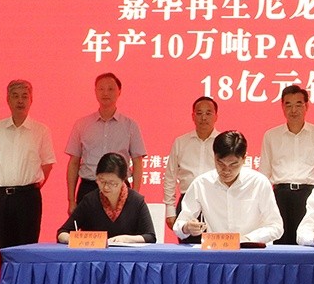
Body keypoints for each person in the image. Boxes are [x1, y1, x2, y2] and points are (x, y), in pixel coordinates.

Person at [0, 79, 55, 263]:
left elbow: (47, 164)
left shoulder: (41, 130)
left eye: (24, 96)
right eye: (15, 96)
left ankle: (26, 283)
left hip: (28, 197)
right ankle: (6, 282)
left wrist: (30, 184)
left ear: (31, 100)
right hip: (1, 198)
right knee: (4, 250)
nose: (20, 101)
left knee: (27, 250)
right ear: (8, 100)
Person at [175, 131, 284, 244]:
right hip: (217, 250)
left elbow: (276, 226)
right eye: (221, 163)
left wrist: (247, 240)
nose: (226, 170)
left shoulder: (259, 183)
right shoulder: (202, 183)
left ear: (244, 159)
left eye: (233, 165)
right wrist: (187, 227)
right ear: (214, 157)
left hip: (252, 250)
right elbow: (180, 223)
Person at [259, 85, 314, 244]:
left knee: (308, 243)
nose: (293, 110)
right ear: (282, 107)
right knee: (280, 243)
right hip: (280, 196)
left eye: (298, 104)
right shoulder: (271, 136)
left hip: (309, 196)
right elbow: (263, 174)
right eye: (288, 105)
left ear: (307, 106)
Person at [65, 72, 146, 214]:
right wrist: (71, 200)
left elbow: (137, 162)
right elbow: (74, 163)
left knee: (119, 229)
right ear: (95, 91)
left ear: (119, 91)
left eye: (110, 89)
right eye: (101, 88)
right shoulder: (82, 125)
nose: (105, 93)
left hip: (119, 188)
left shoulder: (130, 125)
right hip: (89, 187)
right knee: (88, 228)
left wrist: (134, 198)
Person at [57, 153, 156, 244]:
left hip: (127, 256)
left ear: (123, 180)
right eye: (101, 181)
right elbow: (62, 232)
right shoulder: (90, 200)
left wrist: (127, 239)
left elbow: (150, 236)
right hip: (95, 256)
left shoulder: (136, 201)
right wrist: (75, 239)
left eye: (112, 183)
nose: (106, 187)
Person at [163, 96, 219, 243]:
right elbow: (170, 177)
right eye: (199, 113)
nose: (203, 118)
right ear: (193, 116)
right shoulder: (181, 142)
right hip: (187, 201)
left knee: (217, 248)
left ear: (216, 116)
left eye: (208, 113)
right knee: (187, 249)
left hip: (216, 203)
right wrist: (170, 210)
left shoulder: (222, 142)